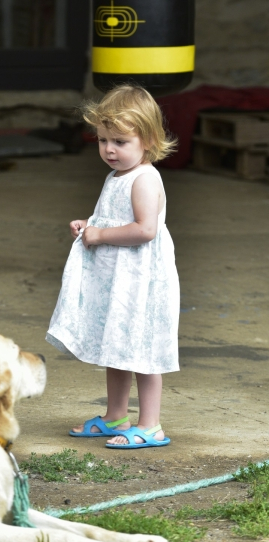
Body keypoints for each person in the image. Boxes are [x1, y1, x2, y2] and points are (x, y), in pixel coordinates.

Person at [46, 84, 180, 449]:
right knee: (117, 345)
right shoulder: (117, 175)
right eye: (103, 140)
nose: (109, 149)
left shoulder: (145, 178)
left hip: (142, 282)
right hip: (120, 279)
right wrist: (89, 226)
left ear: (148, 140)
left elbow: (144, 230)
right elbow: (113, 216)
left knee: (143, 349)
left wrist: (101, 235)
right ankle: (116, 415)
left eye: (120, 141)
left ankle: (150, 425)